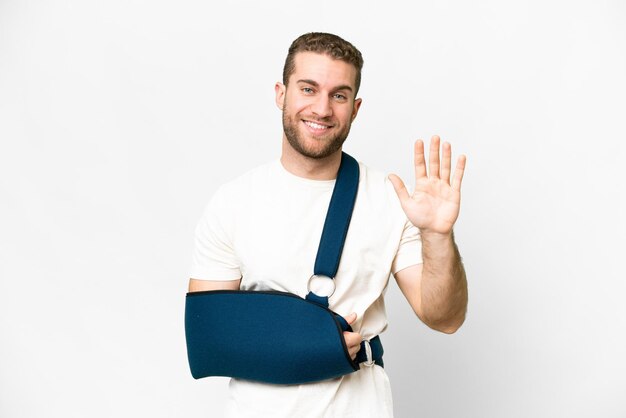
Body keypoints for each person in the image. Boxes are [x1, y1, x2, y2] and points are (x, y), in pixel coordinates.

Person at [187, 32, 468, 417]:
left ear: (355, 108)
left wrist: (437, 235)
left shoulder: (390, 198)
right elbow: (211, 338)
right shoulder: (233, 202)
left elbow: (446, 318)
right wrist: (315, 346)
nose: (321, 109)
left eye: (338, 95)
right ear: (280, 94)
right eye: (308, 89)